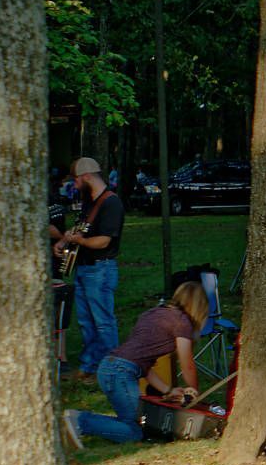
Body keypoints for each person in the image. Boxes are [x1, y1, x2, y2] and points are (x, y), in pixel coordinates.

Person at [63, 280, 209, 446]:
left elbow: (144, 365)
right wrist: (194, 392)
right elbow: (187, 364)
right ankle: (81, 421)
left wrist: (168, 390)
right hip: (121, 372)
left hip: (109, 367)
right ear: (199, 307)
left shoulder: (152, 313)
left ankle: (77, 420)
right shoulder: (182, 322)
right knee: (135, 432)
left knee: (129, 422)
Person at [50, 157, 124, 376]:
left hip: (100, 269)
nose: (74, 184)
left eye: (76, 179)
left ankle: (113, 368)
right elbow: (81, 229)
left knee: (103, 322)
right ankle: (90, 365)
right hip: (84, 268)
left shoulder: (111, 203)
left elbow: (104, 240)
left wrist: (78, 242)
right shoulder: (90, 201)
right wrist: (63, 241)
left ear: (86, 176)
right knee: (86, 321)